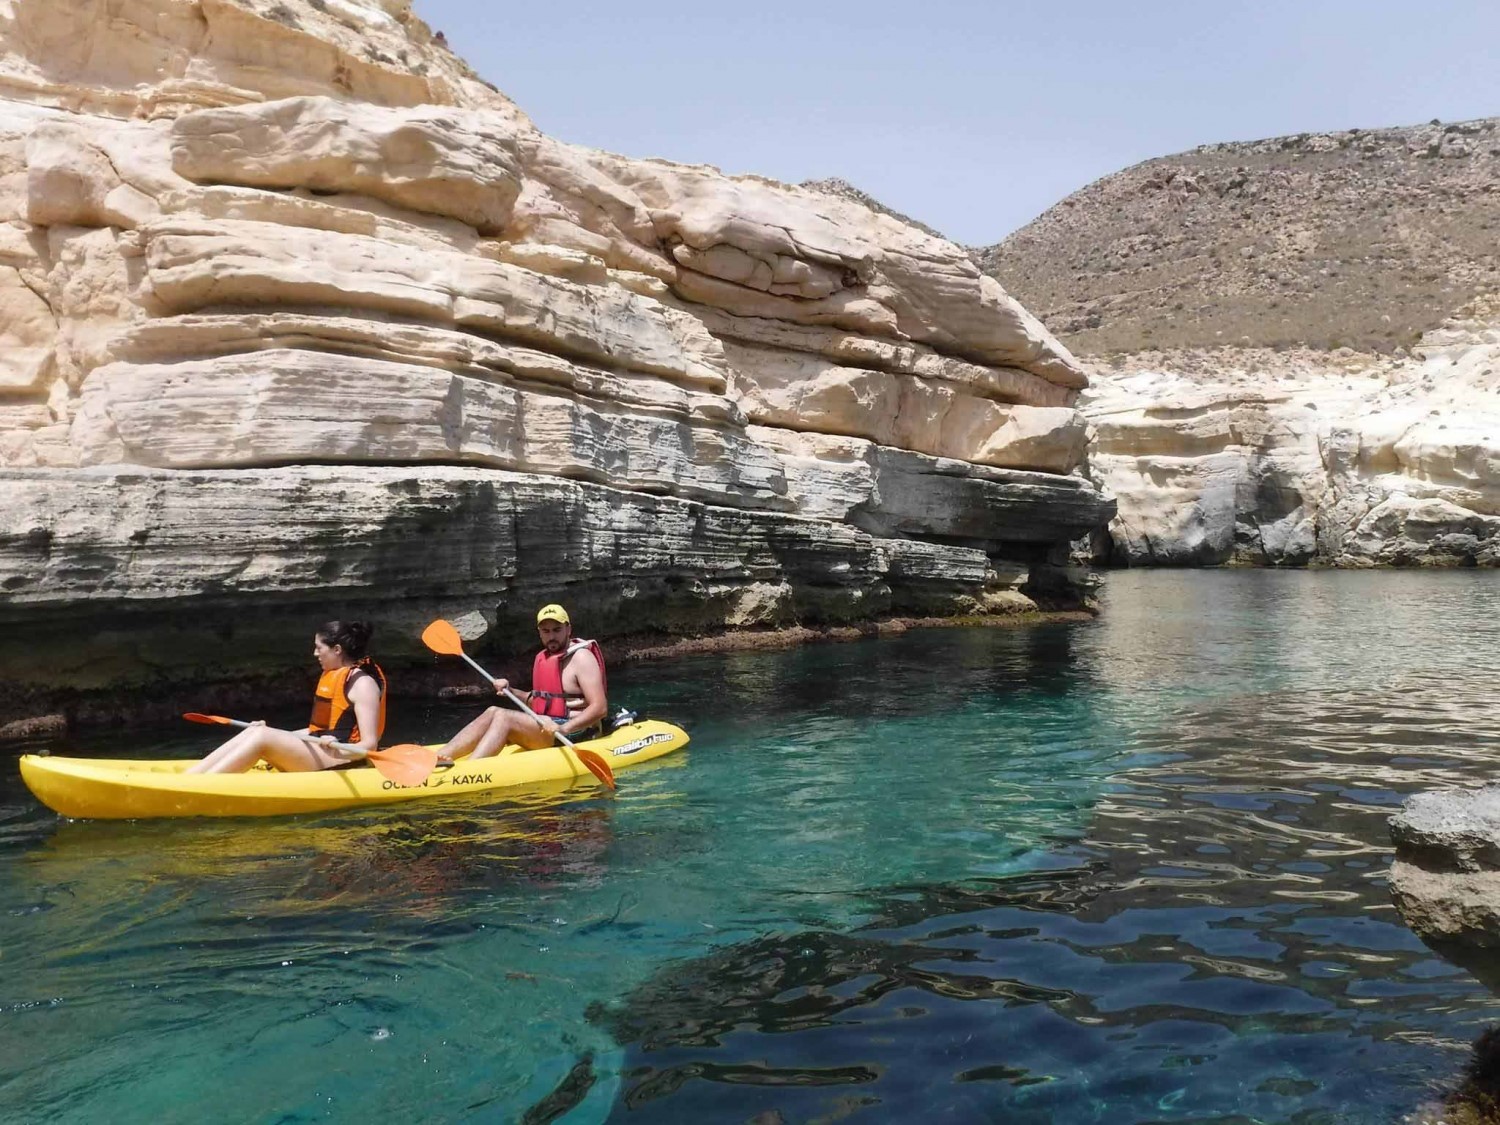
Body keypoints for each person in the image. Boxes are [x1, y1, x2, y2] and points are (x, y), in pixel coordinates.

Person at [187, 621, 387, 774]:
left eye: (319, 648)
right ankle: (191, 778)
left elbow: (370, 745)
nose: (314, 653)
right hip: (324, 751)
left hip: (344, 760)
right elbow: (318, 730)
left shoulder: (363, 684)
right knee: (257, 731)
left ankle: (198, 789)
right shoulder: (335, 677)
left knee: (262, 737)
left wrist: (337, 748)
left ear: (337, 650)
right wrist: (281, 734)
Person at [436, 604, 607, 762]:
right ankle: (440, 758)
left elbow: (600, 707)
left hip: (574, 732)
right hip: (548, 724)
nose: (552, 636)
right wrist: (511, 690)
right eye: (546, 631)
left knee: (504, 718)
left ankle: (469, 770)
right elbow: (537, 701)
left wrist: (564, 728)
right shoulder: (544, 657)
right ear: (539, 632)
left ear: (568, 629)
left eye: (557, 630)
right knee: (493, 710)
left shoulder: (582, 658)